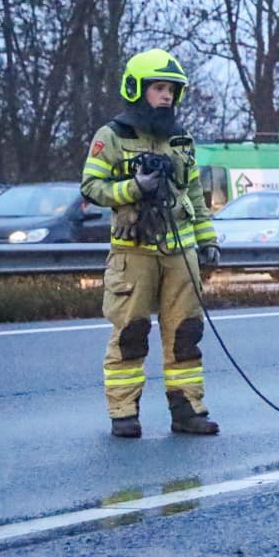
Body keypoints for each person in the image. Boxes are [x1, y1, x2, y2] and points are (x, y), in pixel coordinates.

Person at [80, 48, 222, 439]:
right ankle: (124, 412)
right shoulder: (111, 136)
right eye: (159, 88)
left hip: (181, 253)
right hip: (133, 252)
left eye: (172, 91)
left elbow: (194, 193)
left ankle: (188, 411)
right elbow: (91, 186)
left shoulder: (181, 139)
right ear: (137, 89)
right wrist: (133, 187)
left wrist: (208, 241)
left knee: (186, 334)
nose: (166, 97)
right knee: (130, 333)